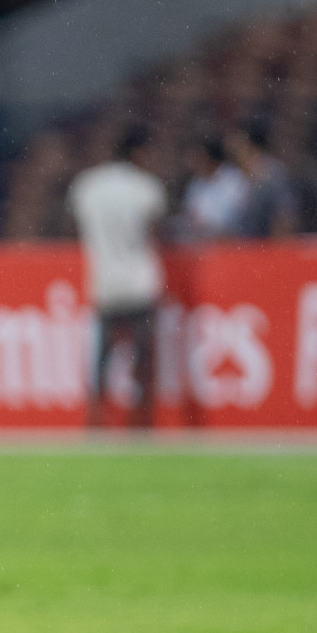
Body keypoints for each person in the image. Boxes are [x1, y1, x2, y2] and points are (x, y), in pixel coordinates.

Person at [68, 125, 167, 428]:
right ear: (138, 152)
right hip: (140, 282)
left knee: (102, 358)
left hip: (104, 282)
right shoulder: (146, 188)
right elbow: (152, 233)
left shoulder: (87, 186)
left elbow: (81, 229)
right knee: (142, 357)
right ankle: (142, 421)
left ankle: (95, 421)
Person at [226, 122, 299, 238]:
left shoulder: (273, 174)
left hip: (264, 249)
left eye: (238, 144)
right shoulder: (234, 177)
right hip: (240, 249)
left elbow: (284, 218)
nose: (232, 149)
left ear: (252, 146)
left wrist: (276, 252)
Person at [177, 137, 247, 241]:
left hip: (231, 241)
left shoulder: (234, 179)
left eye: (200, 157)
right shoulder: (195, 184)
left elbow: (239, 215)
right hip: (201, 242)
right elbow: (190, 216)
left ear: (209, 158)